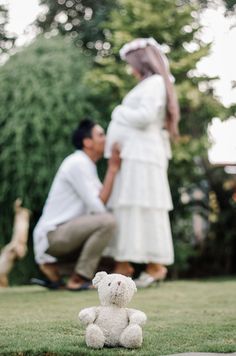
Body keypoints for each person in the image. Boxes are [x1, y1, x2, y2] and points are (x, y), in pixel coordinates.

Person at [103, 38, 180, 287]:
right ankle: (125, 263)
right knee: (132, 209)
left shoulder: (155, 83)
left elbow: (146, 117)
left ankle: (153, 265)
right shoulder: (150, 84)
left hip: (143, 157)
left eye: (130, 64)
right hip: (136, 156)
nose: (130, 69)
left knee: (142, 208)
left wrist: (118, 112)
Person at [33, 118, 120, 290]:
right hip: (53, 236)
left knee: (110, 266)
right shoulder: (77, 163)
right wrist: (112, 169)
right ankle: (78, 279)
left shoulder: (87, 165)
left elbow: (100, 204)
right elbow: (99, 209)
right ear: (87, 142)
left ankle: (54, 270)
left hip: (67, 236)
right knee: (109, 221)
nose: (106, 139)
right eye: (101, 135)